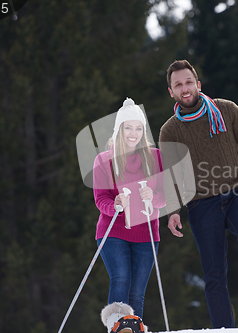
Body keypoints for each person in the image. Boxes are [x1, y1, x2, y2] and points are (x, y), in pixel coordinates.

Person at [159, 60, 238, 328]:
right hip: (201, 205)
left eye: (189, 82)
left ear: (198, 85)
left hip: (237, 192)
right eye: (178, 85)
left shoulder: (227, 110)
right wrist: (173, 212)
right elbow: (172, 176)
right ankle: (224, 328)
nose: (185, 88)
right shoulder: (170, 131)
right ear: (171, 92)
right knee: (214, 273)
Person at [93, 98, 165, 319]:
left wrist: (152, 197)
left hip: (146, 233)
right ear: (119, 130)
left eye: (138, 128)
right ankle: (117, 326)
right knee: (121, 279)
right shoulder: (104, 160)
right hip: (114, 230)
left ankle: (133, 327)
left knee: (136, 294)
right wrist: (115, 205)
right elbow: (101, 198)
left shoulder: (155, 157)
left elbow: (165, 197)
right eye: (128, 128)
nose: (133, 133)